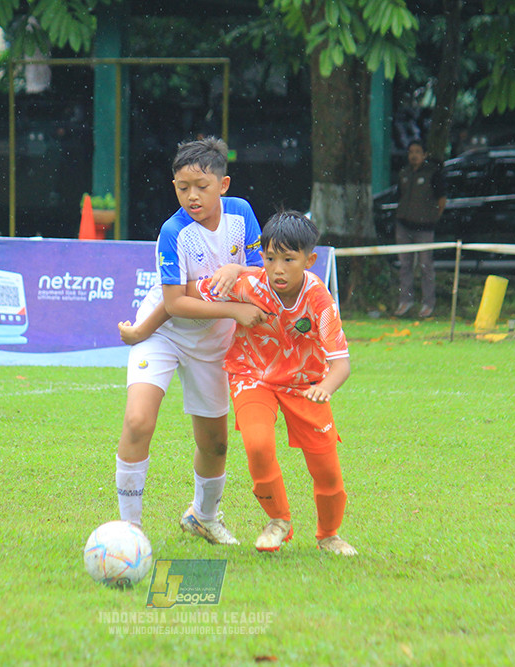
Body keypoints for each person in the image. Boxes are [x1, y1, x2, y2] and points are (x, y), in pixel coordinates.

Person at [113, 136, 265, 545]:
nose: (192, 196)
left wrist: (237, 271)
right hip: (163, 335)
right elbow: (175, 302)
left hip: (213, 343)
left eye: (202, 186)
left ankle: (203, 517)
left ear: (223, 184)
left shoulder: (241, 214)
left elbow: (261, 271)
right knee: (137, 421)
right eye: (183, 188)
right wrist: (233, 309)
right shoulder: (173, 231)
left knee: (216, 444)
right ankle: (130, 530)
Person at [191, 210, 357, 556]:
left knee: (327, 472)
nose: (277, 269)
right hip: (252, 376)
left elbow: (341, 363)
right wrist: (234, 270)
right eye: (269, 259)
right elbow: (188, 293)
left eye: (288, 259)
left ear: (310, 260)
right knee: (257, 445)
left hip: (306, 386)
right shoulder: (250, 284)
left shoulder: (319, 299)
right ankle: (278, 520)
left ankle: (329, 535)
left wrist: (325, 387)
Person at [393, 140, 446, 319]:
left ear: (424, 155)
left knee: (425, 266)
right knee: (405, 265)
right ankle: (405, 301)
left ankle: (428, 303)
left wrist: (432, 217)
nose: (414, 155)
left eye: (417, 152)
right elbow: (399, 196)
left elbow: (441, 199)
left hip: (424, 228)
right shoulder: (404, 173)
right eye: (411, 152)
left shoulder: (433, 174)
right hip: (403, 226)